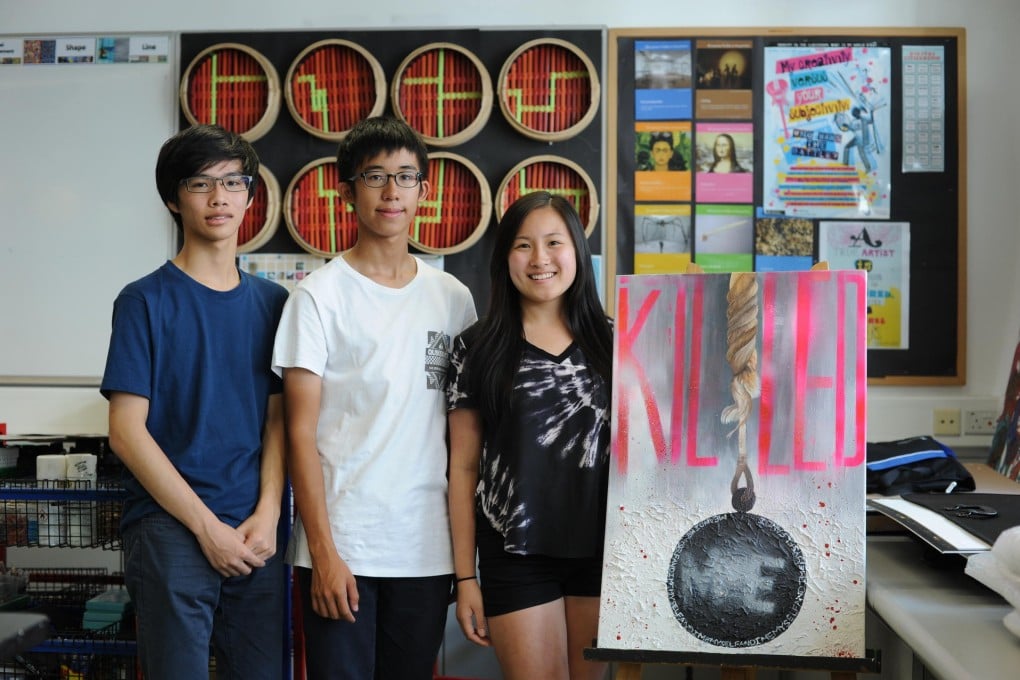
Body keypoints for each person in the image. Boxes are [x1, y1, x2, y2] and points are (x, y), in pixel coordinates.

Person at [272, 116, 477, 680]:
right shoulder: (317, 298)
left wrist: (465, 568)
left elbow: (463, 445)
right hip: (344, 550)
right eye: (376, 177)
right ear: (347, 193)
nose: (392, 192)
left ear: (424, 192)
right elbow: (299, 435)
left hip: (426, 550)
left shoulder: (453, 299)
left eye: (406, 177)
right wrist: (323, 554)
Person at [100, 124, 288, 679]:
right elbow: (126, 432)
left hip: (256, 529)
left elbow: (279, 423)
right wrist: (207, 528)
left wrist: (270, 514)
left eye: (233, 182)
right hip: (170, 529)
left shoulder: (275, 304)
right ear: (172, 199)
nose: (219, 197)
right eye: (200, 183)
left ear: (251, 196)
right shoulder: (142, 301)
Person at [446, 192, 614, 680]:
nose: (540, 259)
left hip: (602, 553)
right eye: (523, 245)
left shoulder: (616, 342)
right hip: (515, 554)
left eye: (554, 243)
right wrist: (465, 578)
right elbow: (462, 469)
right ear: (505, 259)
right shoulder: (476, 349)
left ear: (578, 253)